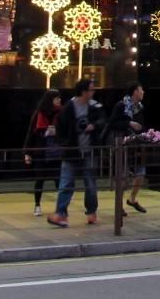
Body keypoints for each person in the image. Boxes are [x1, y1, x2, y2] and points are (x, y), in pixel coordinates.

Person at [49, 78, 104, 228]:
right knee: (66, 183)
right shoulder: (69, 107)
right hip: (72, 152)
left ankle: (91, 212)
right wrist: (65, 144)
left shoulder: (93, 106)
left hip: (89, 151)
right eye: (91, 90)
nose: (93, 92)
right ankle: (61, 214)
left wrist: (94, 125)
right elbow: (60, 127)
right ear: (83, 92)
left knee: (90, 184)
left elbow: (103, 120)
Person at [107, 83, 147, 214]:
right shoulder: (121, 105)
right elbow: (112, 123)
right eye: (141, 90)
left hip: (136, 145)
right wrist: (129, 123)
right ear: (135, 92)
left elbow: (141, 125)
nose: (143, 92)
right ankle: (119, 206)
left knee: (141, 172)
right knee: (123, 177)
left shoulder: (139, 107)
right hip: (123, 145)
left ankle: (132, 199)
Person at [23, 89, 62, 216]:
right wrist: (27, 152)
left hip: (56, 151)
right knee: (40, 179)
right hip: (41, 151)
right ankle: (37, 205)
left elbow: (66, 129)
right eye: (57, 98)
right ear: (50, 99)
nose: (59, 100)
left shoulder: (61, 113)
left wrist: (57, 131)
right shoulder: (39, 114)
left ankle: (60, 207)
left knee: (58, 180)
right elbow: (31, 133)